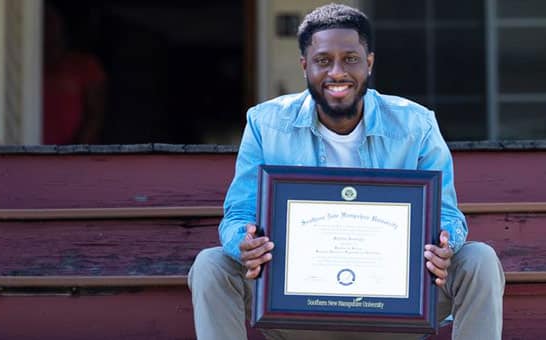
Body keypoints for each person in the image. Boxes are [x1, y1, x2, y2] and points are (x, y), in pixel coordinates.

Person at [188, 4, 504, 340]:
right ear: (304, 66)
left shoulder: (417, 123)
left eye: (350, 59)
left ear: (368, 63)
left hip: (394, 306)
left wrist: (444, 244)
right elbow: (239, 213)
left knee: (479, 259)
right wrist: (245, 244)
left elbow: (446, 215)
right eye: (323, 60)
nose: (337, 72)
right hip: (298, 305)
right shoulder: (265, 123)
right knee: (211, 265)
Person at [42, 5, 106, 145]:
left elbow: (95, 115)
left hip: (77, 157)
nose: (46, 28)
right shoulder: (29, 71)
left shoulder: (86, 66)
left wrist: (74, 151)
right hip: (33, 156)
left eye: (49, 21)